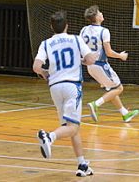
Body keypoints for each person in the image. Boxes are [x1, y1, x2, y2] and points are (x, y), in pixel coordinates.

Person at [34, 10, 98, 177]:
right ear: (67, 26)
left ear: (51, 27)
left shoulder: (46, 43)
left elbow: (36, 67)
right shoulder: (76, 39)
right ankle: (49, 137)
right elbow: (91, 59)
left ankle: (82, 164)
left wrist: (45, 73)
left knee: (70, 127)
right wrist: (83, 60)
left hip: (55, 87)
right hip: (71, 86)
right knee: (72, 127)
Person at [79, 5, 139, 123]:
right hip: (101, 65)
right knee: (119, 88)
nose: (102, 13)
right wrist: (121, 56)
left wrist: (82, 60)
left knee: (111, 89)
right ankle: (96, 104)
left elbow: (80, 48)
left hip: (89, 66)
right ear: (96, 17)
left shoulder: (84, 30)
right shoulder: (104, 31)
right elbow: (109, 52)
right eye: (99, 12)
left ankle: (125, 114)